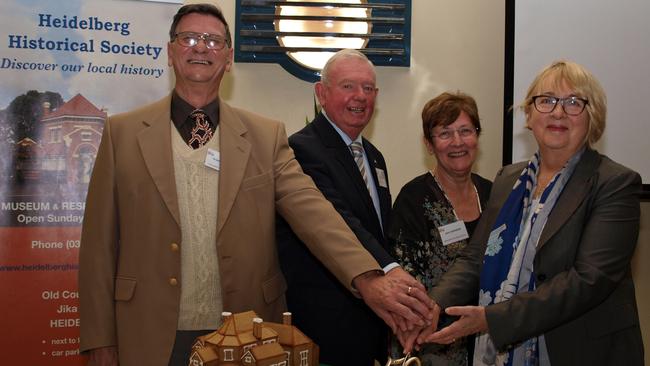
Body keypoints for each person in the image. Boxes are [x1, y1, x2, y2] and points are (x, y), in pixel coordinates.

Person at [77, 4, 433, 366]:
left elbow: (315, 213)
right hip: (147, 332)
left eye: (213, 41)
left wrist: (368, 276)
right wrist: (100, 341)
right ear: (170, 52)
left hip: (246, 334)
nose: (201, 47)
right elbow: (98, 248)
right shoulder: (121, 134)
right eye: (189, 38)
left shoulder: (265, 136)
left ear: (228, 59)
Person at [402, 60, 644, 365]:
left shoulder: (614, 184)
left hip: (582, 351)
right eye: (546, 101)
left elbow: (588, 280)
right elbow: (476, 257)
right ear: (529, 115)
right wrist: (433, 306)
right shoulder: (508, 180)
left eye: (573, 102)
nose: (558, 112)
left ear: (592, 116)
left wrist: (492, 319)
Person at [277, 49, 426, 366]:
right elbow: (341, 222)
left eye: (368, 88)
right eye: (348, 86)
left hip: (371, 320)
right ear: (321, 93)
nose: (360, 97)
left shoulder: (374, 157)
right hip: (325, 324)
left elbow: (379, 232)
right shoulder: (301, 149)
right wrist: (392, 270)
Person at [388, 92, 492, 365]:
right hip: (431, 343)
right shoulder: (413, 199)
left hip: (490, 339)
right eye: (445, 133)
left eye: (465, 131)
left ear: (477, 137)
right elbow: (406, 283)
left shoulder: (494, 194)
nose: (457, 142)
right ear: (429, 145)